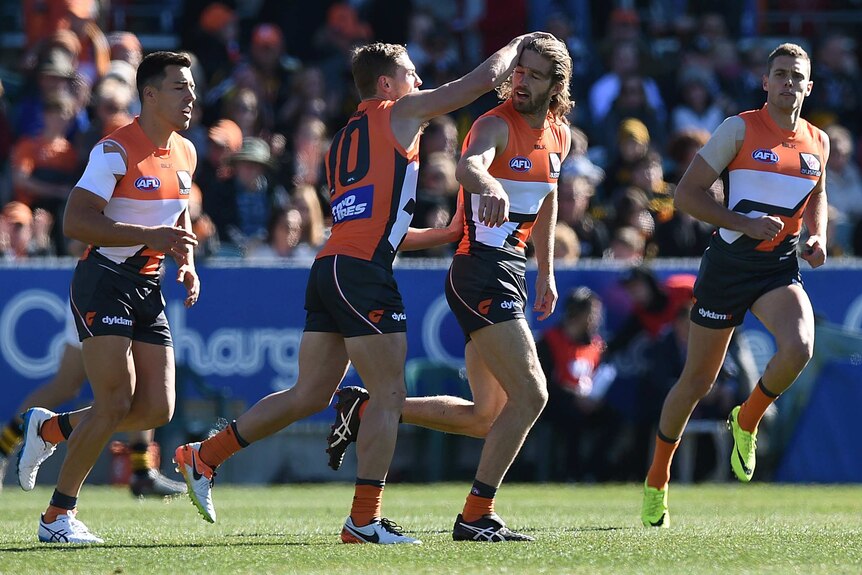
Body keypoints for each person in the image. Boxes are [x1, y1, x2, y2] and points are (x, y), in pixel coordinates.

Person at [173, 33, 550, 545]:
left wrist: (444, 234)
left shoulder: (346, 136)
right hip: (362, 274)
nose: (420, 81)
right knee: (389, 394)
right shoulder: (398, 112)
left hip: (330, 266)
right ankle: (364, 520)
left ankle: (205, 456)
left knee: (309, 394)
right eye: (412, 73)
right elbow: (479, 83)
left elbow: (372, 224)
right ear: (388, 84)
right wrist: (519, 44)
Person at [326, 35, 573, 542]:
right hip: (479, 270)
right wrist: (489, 185)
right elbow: (468, 166)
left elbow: (548, 200)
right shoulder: (493, 123)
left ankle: (365, 407)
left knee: (487, 415)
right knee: (532, 395)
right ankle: (476, 514)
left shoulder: (559, 135)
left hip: (511, 271)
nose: (521, 81)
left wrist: (545, 272)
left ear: (557, 85)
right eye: (519, 71)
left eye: (534, 75)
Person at [15, 51, 200, 544]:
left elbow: (176, 213)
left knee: (158, 410)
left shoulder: (186, 151)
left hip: (147, 286)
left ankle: (49, 431)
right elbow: (76, 222)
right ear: (150, 96)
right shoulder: (114, 150)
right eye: (180, 87)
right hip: (103, 280)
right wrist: (150, 236)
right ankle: (57, 518)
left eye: (192, 86)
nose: (191, 96)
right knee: (114, 401)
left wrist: (186, 261)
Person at [641, 43, 828, 527]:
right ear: (765, 82)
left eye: (797, 76)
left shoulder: (818, 141)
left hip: (777, 267)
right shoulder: (739, 128)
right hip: (727, 266)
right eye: (780, 74)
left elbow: (818, 193)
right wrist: (741, 223)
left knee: (800, 345)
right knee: (697, 383)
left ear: (809, 86)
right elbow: (685, 196)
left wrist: (819, 235)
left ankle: (747, 419)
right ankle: (658, 479)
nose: (789, 82)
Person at [0, 305, 186, 497]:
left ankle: (141, 471)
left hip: (128, 294)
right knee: (94, 390)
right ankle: (29, 438)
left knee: (74, 385)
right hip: (108, 297)